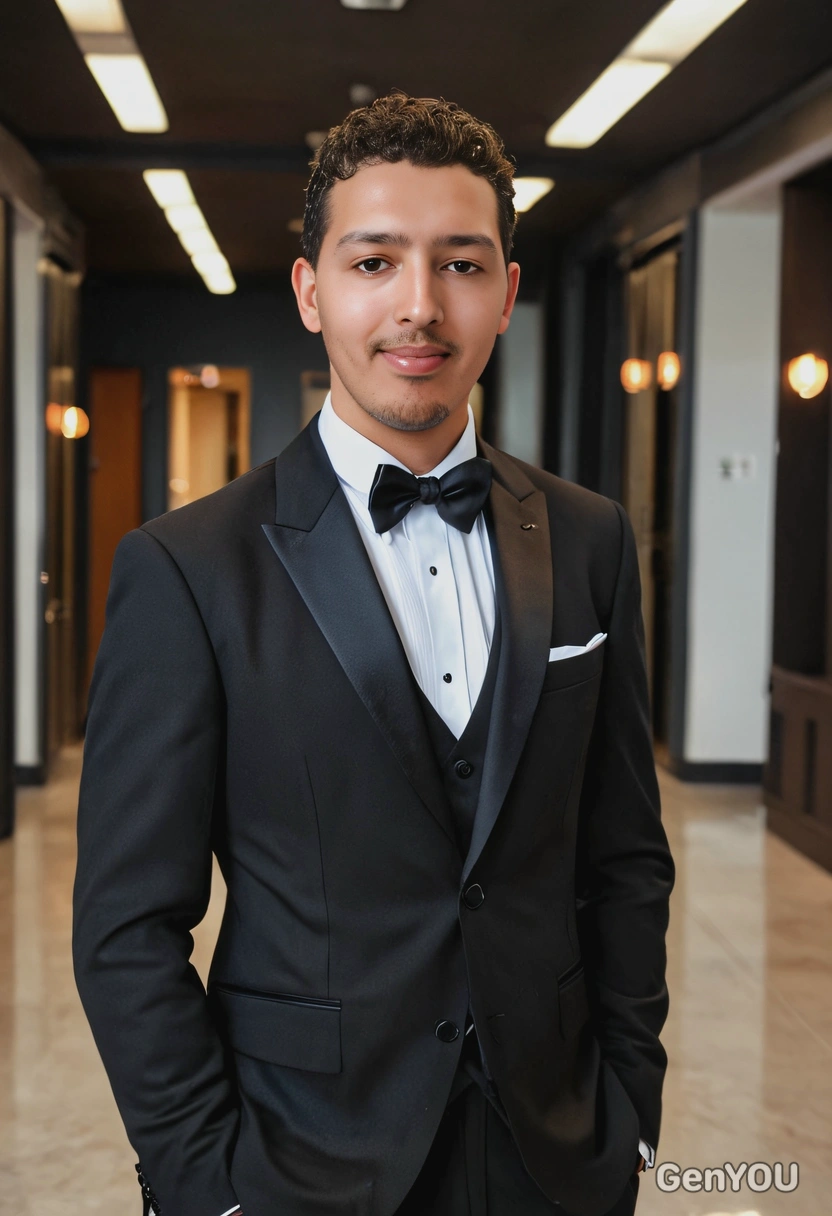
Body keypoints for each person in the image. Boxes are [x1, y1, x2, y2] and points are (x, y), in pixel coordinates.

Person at [73, 92, 674, 1216]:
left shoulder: (590, 539)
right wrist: (207, 1183)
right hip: (298, 1156)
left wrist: (629, 1115)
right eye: (374, 262)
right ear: (312, 292)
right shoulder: (187, 567)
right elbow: (126, 926)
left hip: (554, 1153)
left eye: (460, 264)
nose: (419, 306)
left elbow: (625, 857)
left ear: (506, 292)